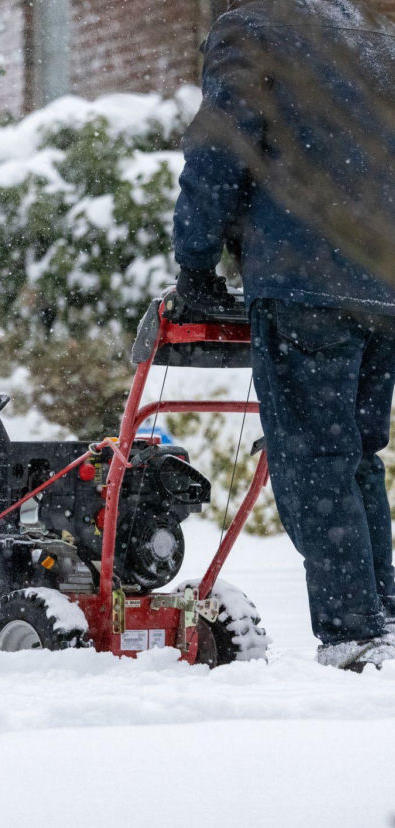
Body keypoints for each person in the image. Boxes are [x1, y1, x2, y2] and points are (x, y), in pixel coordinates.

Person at [173, 0, 395, 670]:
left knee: (315, 461)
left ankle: (355, 636)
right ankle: (379, 620)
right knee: (357, 456)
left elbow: (221, 147)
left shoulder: (255, 27)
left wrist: (195, 260)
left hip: (307, 278)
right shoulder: (375, 35)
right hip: (381, 283)